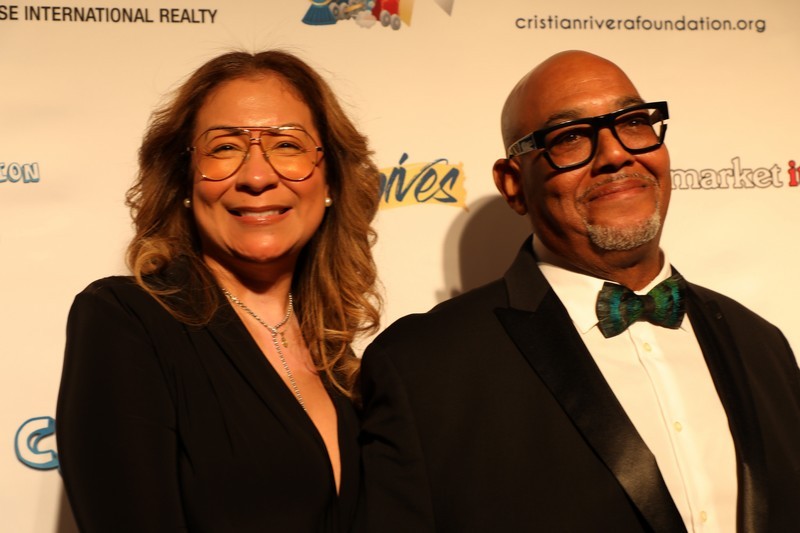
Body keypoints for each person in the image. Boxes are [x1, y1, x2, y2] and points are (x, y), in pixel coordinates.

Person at [358, 50, 800, 532]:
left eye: (633, 122)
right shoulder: (423, 367)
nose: (615, 154)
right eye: (569, 137)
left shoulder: (762, 345)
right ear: (513, 184)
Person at [56, 50, 381, 532]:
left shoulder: (339, 359)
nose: (256, 176)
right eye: (225, 148)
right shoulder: (126, 322)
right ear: (185, 181)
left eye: (287, 145)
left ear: (329, 177)